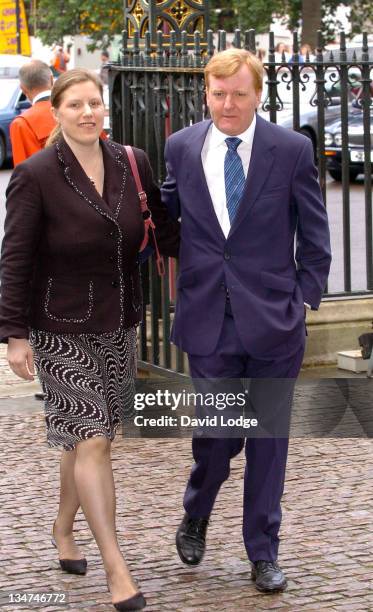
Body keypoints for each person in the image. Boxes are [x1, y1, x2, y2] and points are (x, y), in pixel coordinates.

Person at [0, 68, 180, 611]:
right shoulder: (36, 176)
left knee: (87, 438)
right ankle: (116, 567)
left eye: (95, 103)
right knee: (95, 439)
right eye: (75, 104)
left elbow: (166, 229)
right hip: (60, 327)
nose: (87, 112)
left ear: (105, 110)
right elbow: (15, 260)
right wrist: (12, 335)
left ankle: (62, 525)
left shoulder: (132, 161)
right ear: (54, 112)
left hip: (120, 322)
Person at [161, 48, 331, 593]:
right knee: (217, 430)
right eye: (217, 93)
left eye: (238, 93)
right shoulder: (182, 146)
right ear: (205, 93)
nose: (227, 104)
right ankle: (197, 510)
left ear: (258, 94)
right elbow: (166, 216)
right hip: (208, 315)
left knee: (268, 439)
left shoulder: (291, 149)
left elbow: (315, 226)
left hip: (275, 321)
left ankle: (263, 550)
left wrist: (305, 295)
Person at [10, 60, 56, 166]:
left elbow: (22, 173)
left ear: (22, 88)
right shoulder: (81, 111)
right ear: (52, 80)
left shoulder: (22, 124)